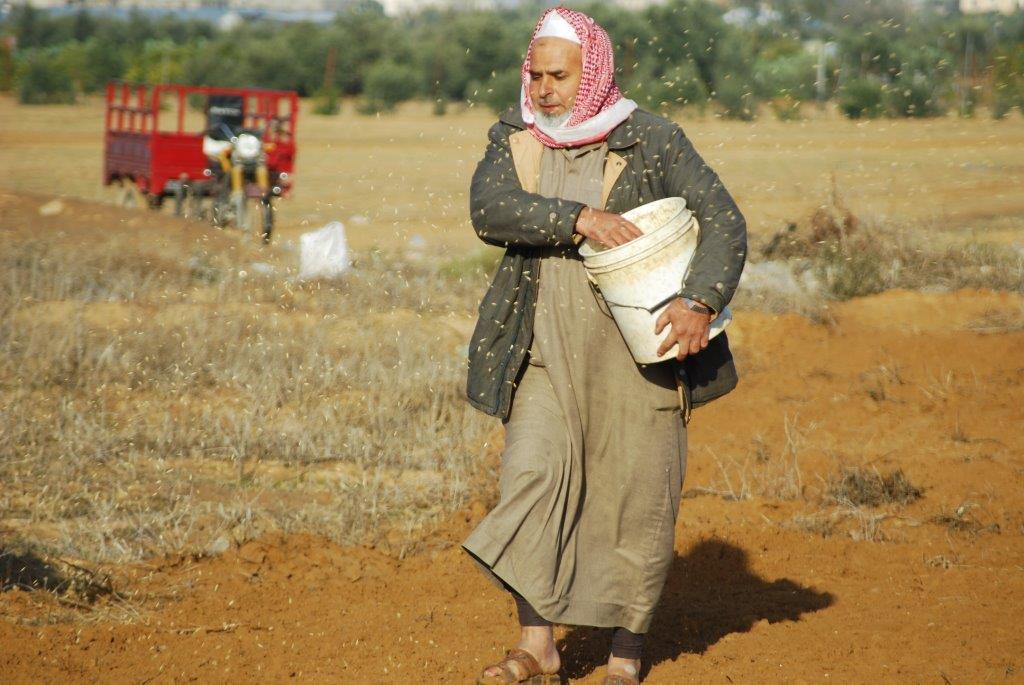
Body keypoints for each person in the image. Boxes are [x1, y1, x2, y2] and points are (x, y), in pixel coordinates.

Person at [462, 7, 747, 685]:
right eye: (535, 74)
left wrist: (700, 300)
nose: (542, 89)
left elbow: (724, 219)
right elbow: (488, 208)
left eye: (558, 76)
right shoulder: (515, 140)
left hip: (639, 358)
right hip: (543, 351)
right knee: (531, 479)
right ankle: (539, 647)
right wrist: (578, 218)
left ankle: (625, 652)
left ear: (594, 73)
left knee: (637, 496)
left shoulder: (650, 139)